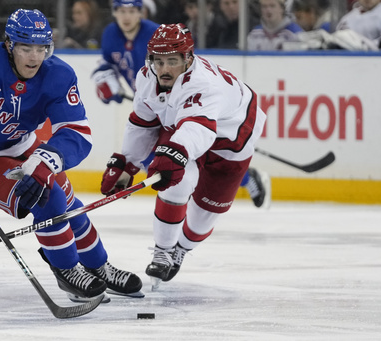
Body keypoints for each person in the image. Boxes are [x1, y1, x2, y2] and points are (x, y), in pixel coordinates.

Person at [0, 8, 142, 302]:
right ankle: (67, 272)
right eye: (25, 47)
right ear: (9, 44)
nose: (34, 56)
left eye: (42, 47)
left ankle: (98, 267)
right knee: (48, 198)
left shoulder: (58, 75)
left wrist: (47, 160)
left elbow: (76, 132)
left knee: (70, 203)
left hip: (23, 145)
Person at [100, 23, 267, 288]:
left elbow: (197, 129)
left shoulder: (203, 84)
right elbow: (142, 123)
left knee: (203, 218)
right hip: (186, 126)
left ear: (188, 59)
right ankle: (163, 251)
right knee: (176, 182)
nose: (164, 70)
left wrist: (173, 155)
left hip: (233, 137)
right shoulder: (146, 77)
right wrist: (128, 164)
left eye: (172, 62)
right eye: (159, 61)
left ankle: (181, 250)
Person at [91, 0, 159, 104]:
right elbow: (108, 64)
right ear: (114, 13)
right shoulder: (110, 34)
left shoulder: (156, 34)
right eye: (122, 11)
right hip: (142, 104)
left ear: (140, 13)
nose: (126, 17)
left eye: (132, 11)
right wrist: (107, 81)